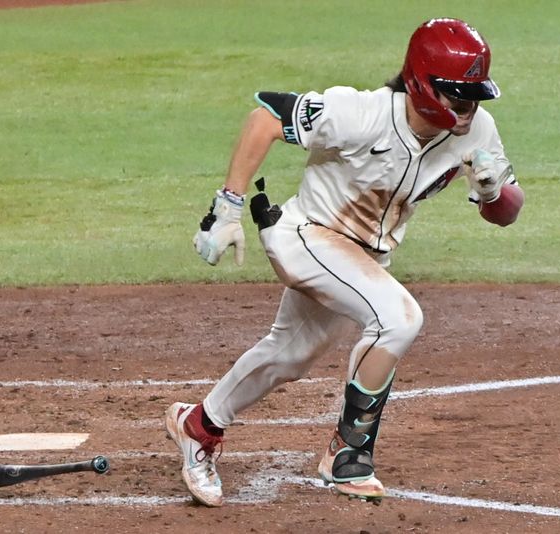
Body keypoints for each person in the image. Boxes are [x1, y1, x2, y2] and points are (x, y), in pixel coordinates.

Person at [165, 17, 525, 507]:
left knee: (288, 355)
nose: (468, 108)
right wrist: (226, 207)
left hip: (361, 257)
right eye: (456, 95)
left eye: (474, 95)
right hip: (306, 236)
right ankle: (347, 453)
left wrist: (492, 191)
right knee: (398, 319)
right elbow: (264, 119)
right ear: (421, 84)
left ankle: (198, 426)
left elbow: (506, 213)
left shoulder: (478, 129)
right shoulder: (362, 113)